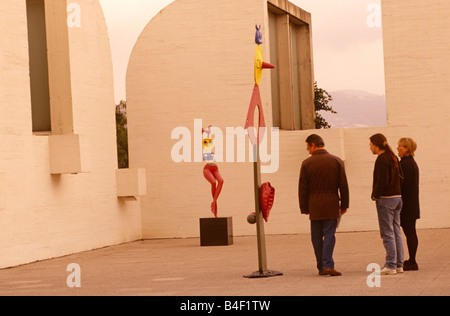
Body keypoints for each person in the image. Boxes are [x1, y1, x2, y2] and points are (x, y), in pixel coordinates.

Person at [299, 134, 349, 276]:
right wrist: (344, 204)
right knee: (329, 235)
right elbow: (343, 186)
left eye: (308, 147)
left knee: (316, 237)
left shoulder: (306, 164)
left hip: (314, 205)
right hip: (332, 203)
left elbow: (303, 188)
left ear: (313, 145)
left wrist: (304, 207)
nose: (308, 150)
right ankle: (328, 264)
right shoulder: (337, 161)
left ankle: (321, 266)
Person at [370, 134, 404, 275]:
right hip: (397, 198)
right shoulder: (393, 157)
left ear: (376, 144)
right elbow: (401, 177)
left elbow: (382, 181)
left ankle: (390, 264)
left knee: (387, 232)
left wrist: (375, 194)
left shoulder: (381, 159)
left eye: (370, 144)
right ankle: (398, 264)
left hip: (386, 199)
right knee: (396, 231)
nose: (370, 147)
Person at [397, 138, 420, 271]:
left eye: (400, 146)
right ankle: (411, 259)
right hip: (411, 204)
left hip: (407, 205)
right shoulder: (410, 163)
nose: (397, 148)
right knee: (410, 231)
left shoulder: (406, 164)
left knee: (410, 232)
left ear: (407, 148)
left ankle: (412, 261)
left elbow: (402, 185)